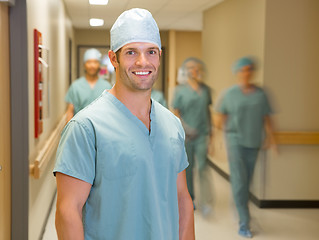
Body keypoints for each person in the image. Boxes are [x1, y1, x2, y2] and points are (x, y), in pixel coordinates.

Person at [54, 8, 195, 240]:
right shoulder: (86, 127)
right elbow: (68, 211)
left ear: (159, 55)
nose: (143, 62)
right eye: (131, 52)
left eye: (151, 51)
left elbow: (182, 200)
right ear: (113, 59)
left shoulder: (172, 124)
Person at [214, 56, 277, 238]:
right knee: (240, 181)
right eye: (243, 70)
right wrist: (216, 136)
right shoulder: (229, 94)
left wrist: (272, 140)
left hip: (254, 142)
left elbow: (267, 118)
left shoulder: (261, 94)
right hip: (235, 141)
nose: (246, 73)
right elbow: (219, 118)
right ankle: (244, 222)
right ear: (237, 73)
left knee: (246, 181)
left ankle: (238, 205)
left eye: (249, 69)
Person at [172, 57, 214, 216]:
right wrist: (183, 130)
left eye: (196, 67)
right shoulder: (180, 91)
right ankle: (191, 199)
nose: (193, 70)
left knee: (203, 167)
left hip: (202, 134)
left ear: (200, 70)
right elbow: (176, 114)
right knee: (187, 169)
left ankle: (206, 202)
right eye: (189, 68)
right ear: (185, 71)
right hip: (186, 136)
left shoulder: (206, 90)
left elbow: (208, 113)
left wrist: (212, 137)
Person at [65, 48, 112, 122]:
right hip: (79, 129)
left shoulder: (107, 86)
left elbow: (110, 112)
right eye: (89, 62)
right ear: (84, 64)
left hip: (101, 129)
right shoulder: (75, 86)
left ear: (99, 64)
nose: (92, 65)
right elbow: (70, 111)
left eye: (95, 62)